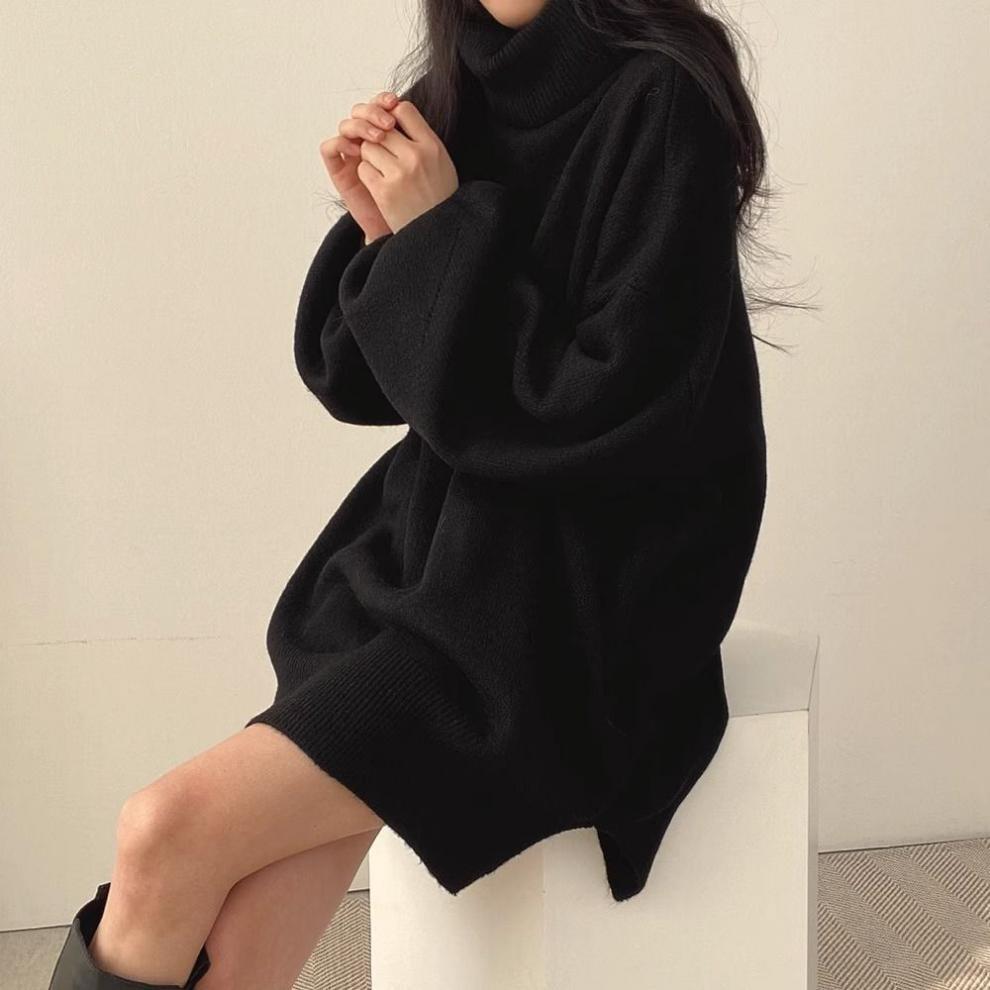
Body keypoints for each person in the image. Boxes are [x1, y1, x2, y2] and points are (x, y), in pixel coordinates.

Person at [47, 0, 778, 987]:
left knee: (163, 831)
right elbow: (357, 382)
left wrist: (438, 232)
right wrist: (384, 232)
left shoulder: (663, 96)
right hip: (435, 564)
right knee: (240, 927)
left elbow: (606, 409)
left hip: (578, 597)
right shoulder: (460, 90)